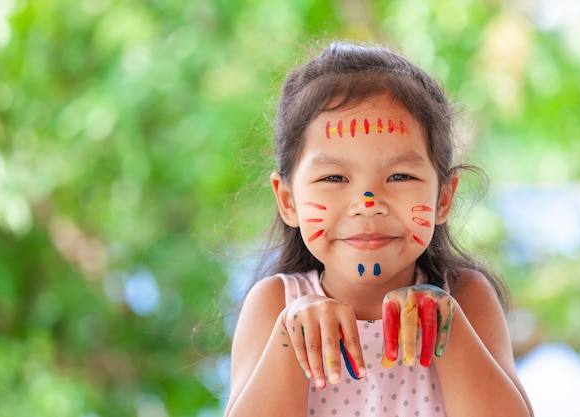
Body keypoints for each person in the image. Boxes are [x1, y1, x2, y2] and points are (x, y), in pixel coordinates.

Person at [223, 41, 534, 417]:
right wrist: (291, 336)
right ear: (288, 200)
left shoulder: (466, 298)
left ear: (443, 198)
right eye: (334, 177)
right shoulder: (275, 304)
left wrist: (446, 326)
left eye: (400, 176)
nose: (368, 203)